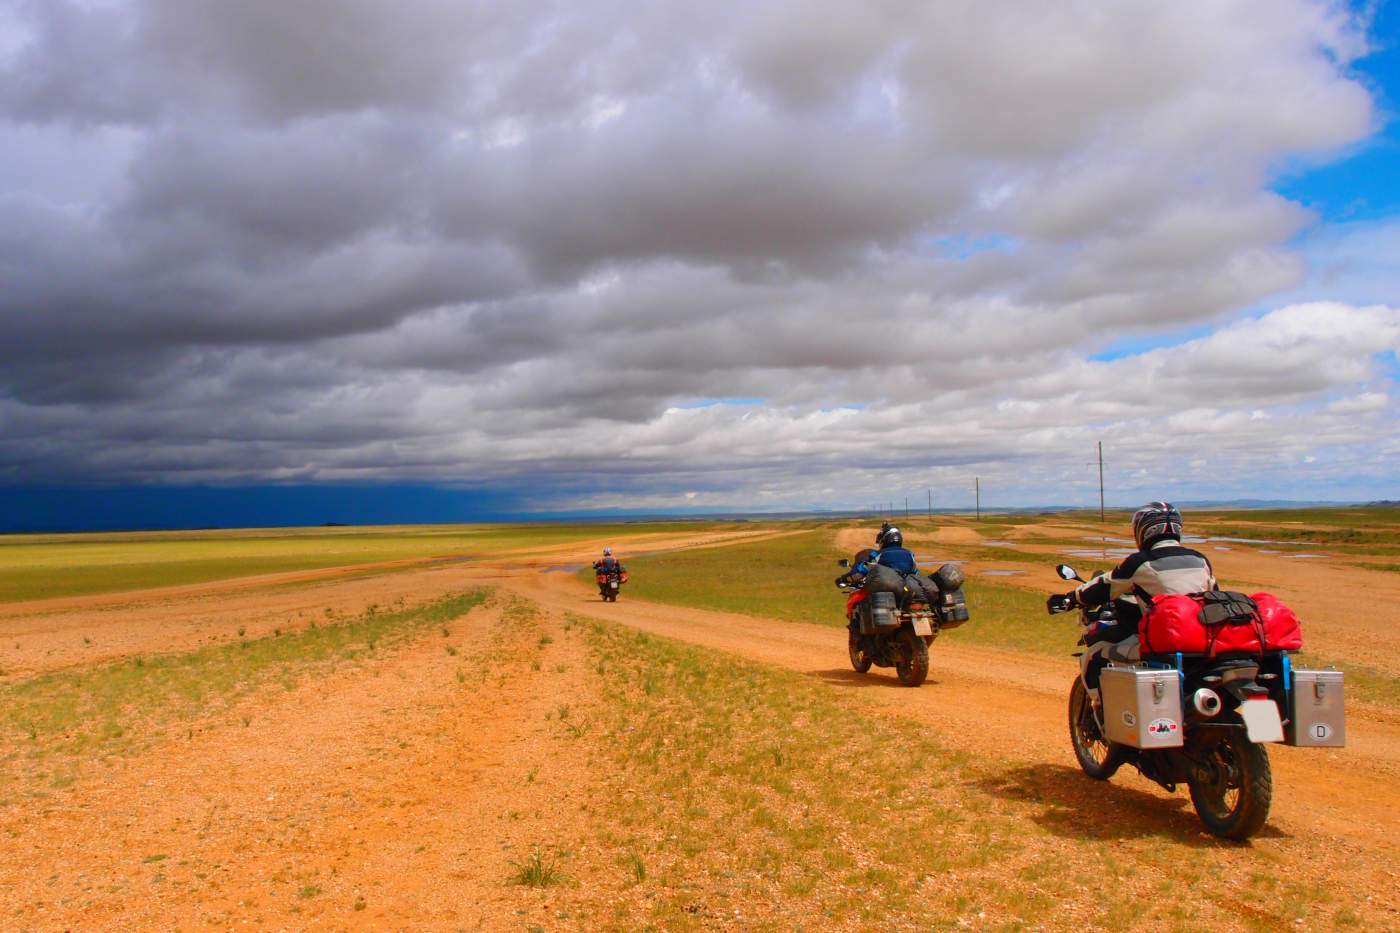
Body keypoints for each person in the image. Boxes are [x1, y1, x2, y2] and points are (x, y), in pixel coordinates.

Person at [1053, 501, 1216, 669]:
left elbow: (1104, 585)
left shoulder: (1139, 562)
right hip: (1203, 639)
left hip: (1163, 640)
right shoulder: (1201, 560)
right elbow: (1212, 594)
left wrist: (1073, 598)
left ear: (1144, 530)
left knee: (1100, 652)